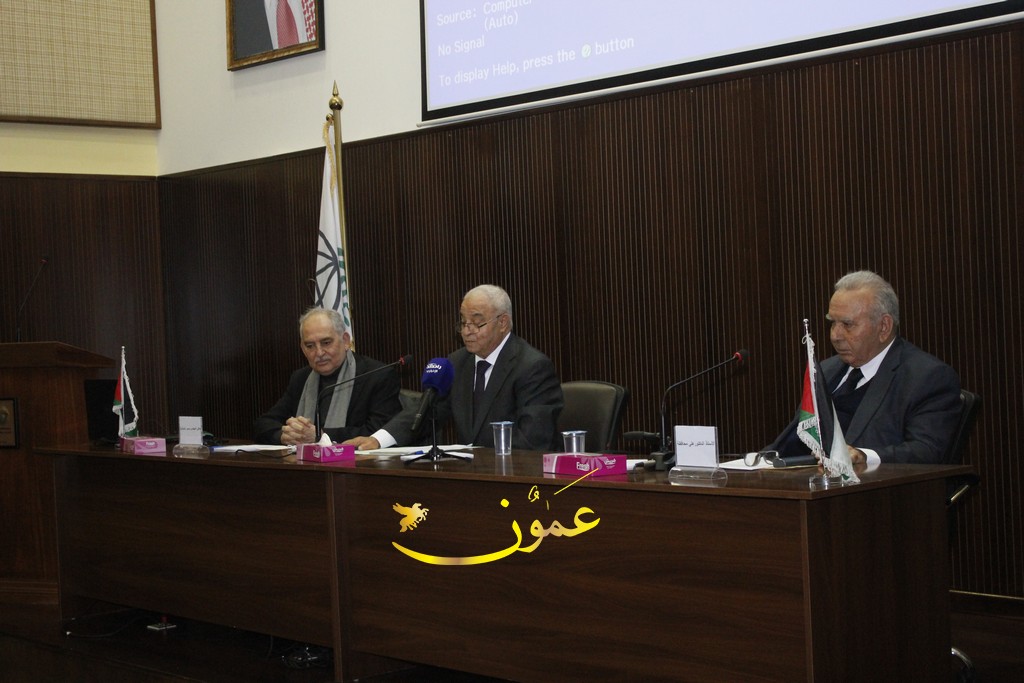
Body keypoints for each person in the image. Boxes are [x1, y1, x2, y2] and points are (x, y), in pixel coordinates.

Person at [769, 270, 961, 465]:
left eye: (847, 324)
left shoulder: (927, 378)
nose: (835, 335)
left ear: (884, 327)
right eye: (833, 323)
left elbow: (927, 452)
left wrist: (865, 457)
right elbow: (793, 440)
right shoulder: (825, 370)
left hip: (875, 483)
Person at [346, 285, 564, 451]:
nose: (467, 331)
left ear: (503, 323)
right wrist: (378, 440)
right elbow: (425, 411)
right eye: (463, 322)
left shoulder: (532, 367)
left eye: (476, 323)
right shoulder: (458, 363)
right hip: (470, 478)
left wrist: (475, 457)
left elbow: (533, 440)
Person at [254, 308, 402, 445]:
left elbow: (381, 432)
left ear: (345, 341)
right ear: (302, 348)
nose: (319, 353)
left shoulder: (377, 375)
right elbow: (263, 424)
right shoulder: (301, 378)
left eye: (326, 343)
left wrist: (321, 436)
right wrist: (285, 435)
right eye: (310, 346)